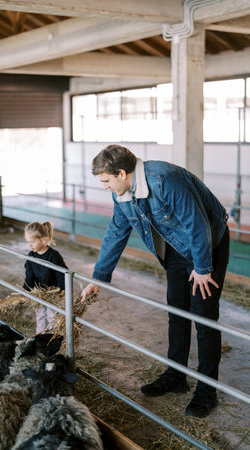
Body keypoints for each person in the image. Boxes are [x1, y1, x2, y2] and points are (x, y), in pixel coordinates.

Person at [81, 144, 229, 418]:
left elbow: (197, 224)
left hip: (207, 245)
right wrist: (98, 278)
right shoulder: (122, 193)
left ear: (122, 173)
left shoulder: (165, 179)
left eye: (106, 181)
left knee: (204, 317)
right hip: (174, 248)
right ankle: (176, 377)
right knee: (176, 312)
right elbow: (117, 231)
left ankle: (207, 392)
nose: (105, 187)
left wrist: (203, 268)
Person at [23, 221, 68, 333]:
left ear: (43, 240)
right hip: (38, 290)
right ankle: (40, 335)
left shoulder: (53, 255)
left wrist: (63, 288)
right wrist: (26, 289)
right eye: (28, 242)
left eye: (32, 242)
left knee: (52, 315)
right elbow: (29, 274)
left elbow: (62, 272)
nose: (30, 245)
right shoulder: (31, 255)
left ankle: (52, 337)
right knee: (40, 313)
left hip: (53, 291)